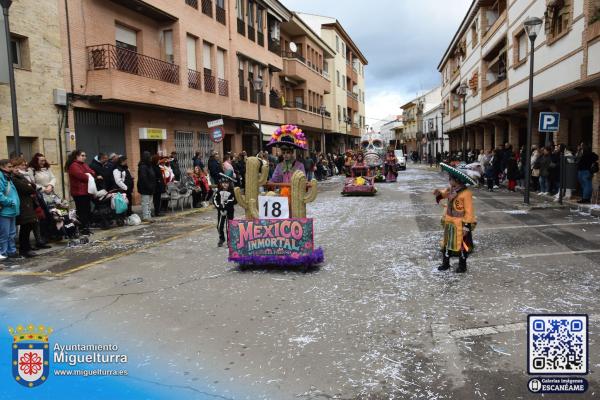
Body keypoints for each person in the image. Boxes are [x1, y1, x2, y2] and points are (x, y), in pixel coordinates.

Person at [434, 163, 479, 273]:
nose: (449, 181)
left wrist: (467, 226)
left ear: (457, 180)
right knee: (447, 243)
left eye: (451, 179)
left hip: (460, 224)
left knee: (462, 245)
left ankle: (462, 266)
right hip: (449, 221)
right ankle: (445, 263)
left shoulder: (466, 193)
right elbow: (444, 194)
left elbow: (469, 211)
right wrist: (438, 193)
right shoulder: (451, 189)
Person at [11, 158, 40, 258]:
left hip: (27, 204)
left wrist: (30, 186)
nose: (18, 169)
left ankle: (27, 247)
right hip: (23, 204)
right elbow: (27, 188)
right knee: (25, 226)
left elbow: (32, 185)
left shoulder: (21, 176)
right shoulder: (13, 178)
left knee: (29, 225)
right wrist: (29, 186)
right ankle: (24, 249)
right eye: (15, 167)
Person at [66, 150, 95, 235]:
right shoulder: (73, 166)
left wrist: (89, 174)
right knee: (82, 211)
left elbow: (93, 173)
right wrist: (88, 175)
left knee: (87, 210)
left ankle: (86, 227)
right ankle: (82, 228)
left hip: (86, 191)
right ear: (77, 156)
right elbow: (82, 176)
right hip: (79, 192)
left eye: (85, 155)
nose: (84, 157)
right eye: (82, 155)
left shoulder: (84, 165)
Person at [0, 159, 20, 260]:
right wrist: (10, 202)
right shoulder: (1, 177)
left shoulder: (8, 177)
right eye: (9, 167)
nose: (11, 169)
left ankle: (11, 251)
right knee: (4, 234)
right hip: (5, 210)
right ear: (2, 167)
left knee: (11, 233)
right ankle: (3, 253)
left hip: (11, 210)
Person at [213, 175, 236, 247]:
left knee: (229, 226)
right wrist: (219, 207)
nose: (225, 184)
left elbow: (234, 200)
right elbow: (215, 200)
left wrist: (225, 204)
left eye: (226, 183)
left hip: (229, 211)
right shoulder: (218, 191)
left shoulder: (232, 191)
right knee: (219, 226)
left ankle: (230, 241)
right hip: (221, 211)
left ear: (229, 183)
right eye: (223, 183)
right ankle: (221, 238)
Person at [137, 151, 156, 221]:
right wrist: (149, 186)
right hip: (145, 188)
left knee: (150, 202)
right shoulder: (143, 166)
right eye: (150, 156)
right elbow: (143, 178)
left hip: (150, 187)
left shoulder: (149, 165)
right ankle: (146, 217)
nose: (151, 158)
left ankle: (149, 215)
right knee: (145, 202)